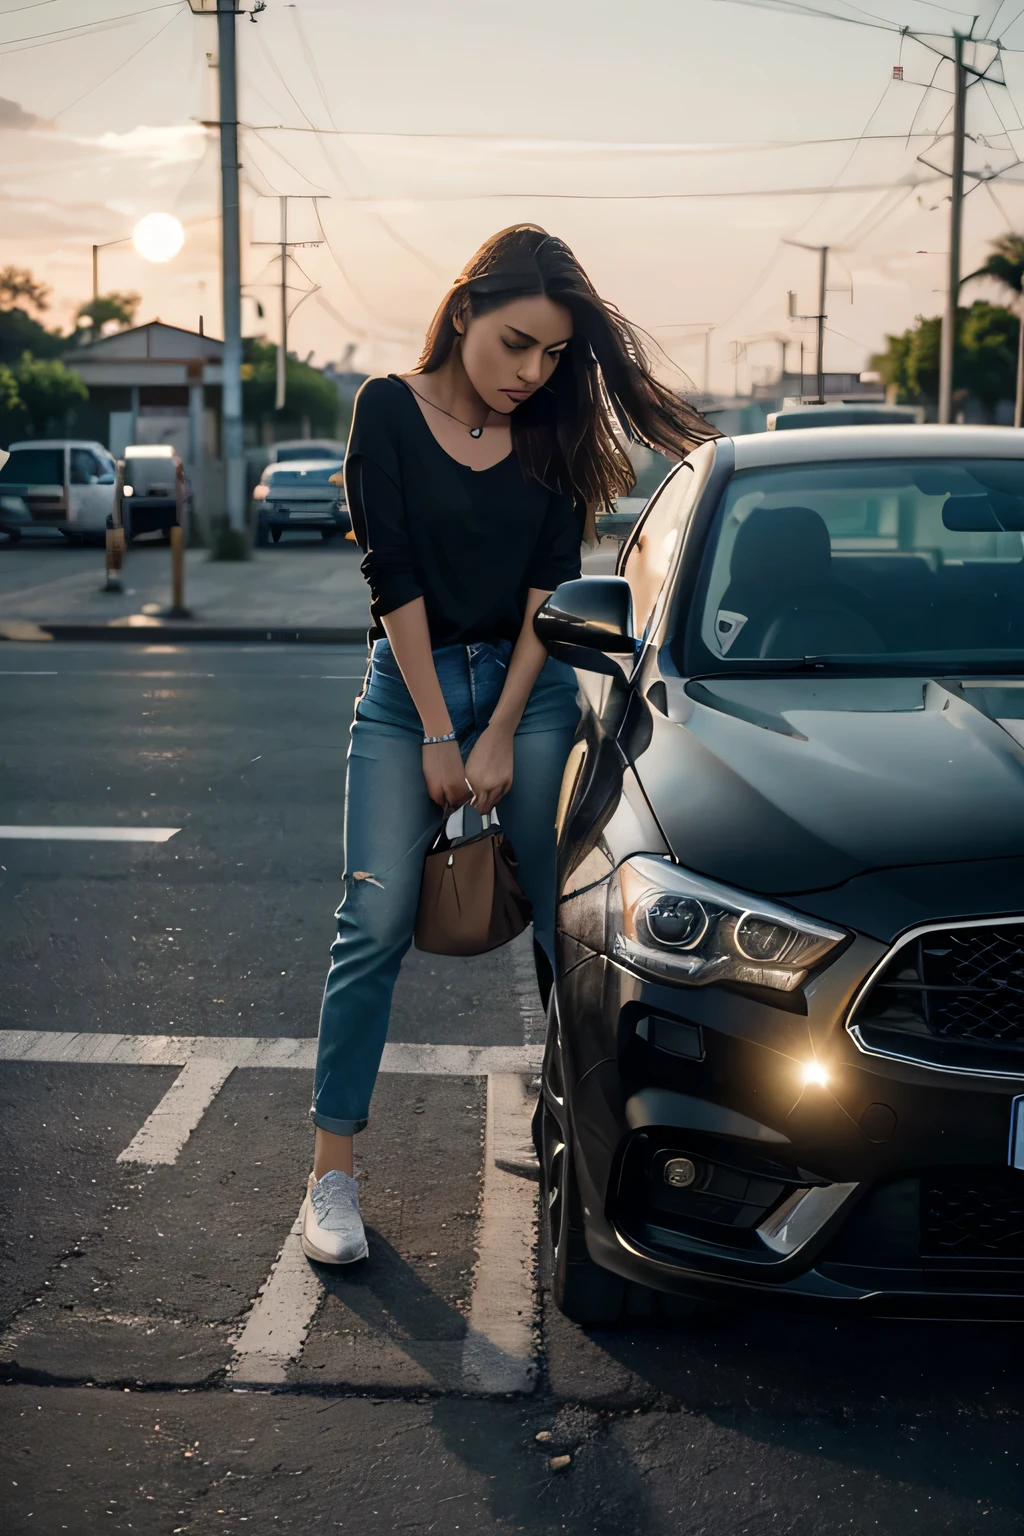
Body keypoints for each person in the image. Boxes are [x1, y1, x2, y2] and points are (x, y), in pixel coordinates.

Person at [300, 223, 716, 1264]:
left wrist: (497, 733)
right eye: (516, 344)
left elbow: (547, 584)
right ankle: (330, 1178)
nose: (532, 373)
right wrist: (443, 732)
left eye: (552, 356)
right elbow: (389, 576)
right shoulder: (385, 410)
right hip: (408, 692)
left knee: (564, 918)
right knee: (374, 919)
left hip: (527, 696)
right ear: (465, 309)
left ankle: (569, 1130)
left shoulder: (545, 432)